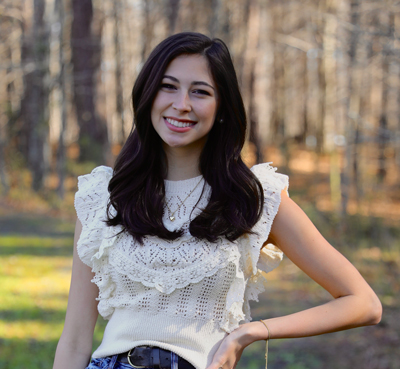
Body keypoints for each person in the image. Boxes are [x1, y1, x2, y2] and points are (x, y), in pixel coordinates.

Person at [53, 32, 382, 369]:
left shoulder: (254, 199)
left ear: (222, 107)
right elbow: (76, 339)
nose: (182, 104)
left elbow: (363, 303)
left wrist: (252, 332)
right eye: (168, 86)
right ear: (147, 95)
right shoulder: (104, 196)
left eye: (200, 92)